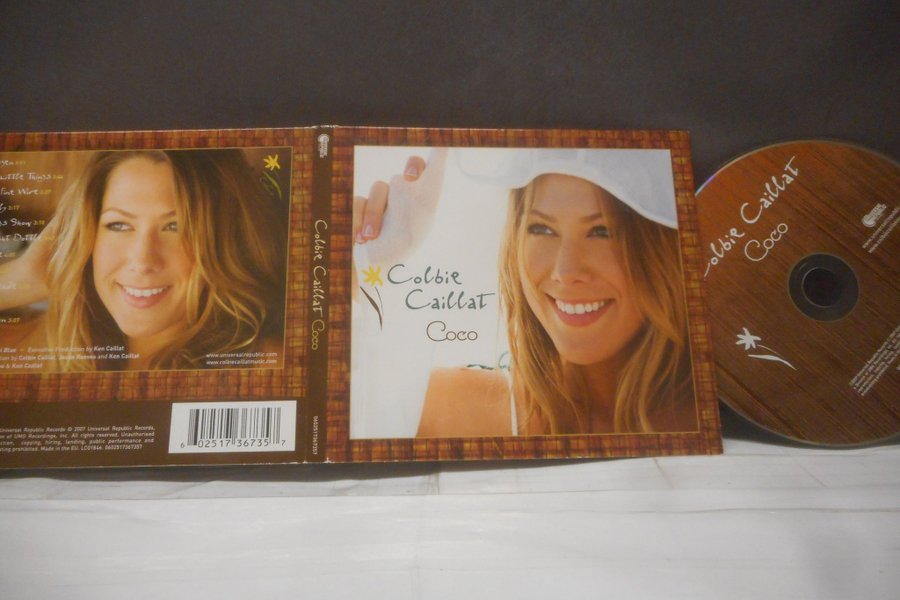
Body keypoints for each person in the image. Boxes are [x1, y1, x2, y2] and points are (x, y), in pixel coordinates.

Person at [353, 148, 697, 436]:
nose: (565, 272)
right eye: (542, 229)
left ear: (661, 248)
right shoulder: (455, 411)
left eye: (602, 231)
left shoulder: (712, 413)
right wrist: (355, 271)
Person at [0, 149, 287, 371]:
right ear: (86, 237)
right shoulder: (32, 350)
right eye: (119, 225)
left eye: (175, 227)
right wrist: (21, 278)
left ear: (224, 242)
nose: (142, 260)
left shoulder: (262, 364)